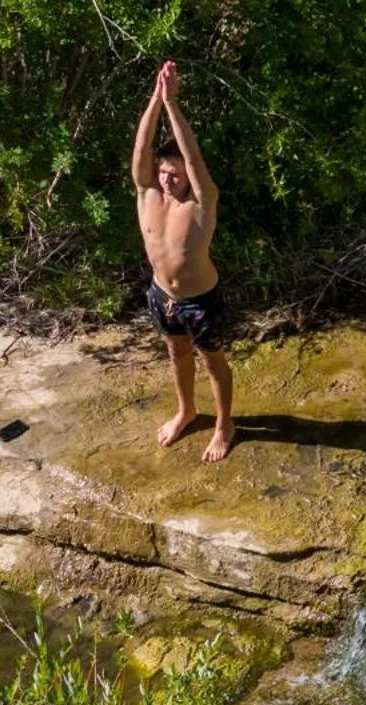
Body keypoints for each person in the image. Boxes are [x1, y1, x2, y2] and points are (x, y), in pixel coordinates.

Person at [132, 60, 233, 462]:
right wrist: (156, 99)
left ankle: (224, 425)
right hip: (162, 296)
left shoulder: (202, 204)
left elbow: (194, 160)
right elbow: (141, 149)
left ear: (188, 177)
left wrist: (173, 105)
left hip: (200, 300)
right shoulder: (148, 195)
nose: (167, 179)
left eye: (174, 174)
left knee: (212, 362)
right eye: (163, 172)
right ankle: (186, 411)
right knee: (176, 352)